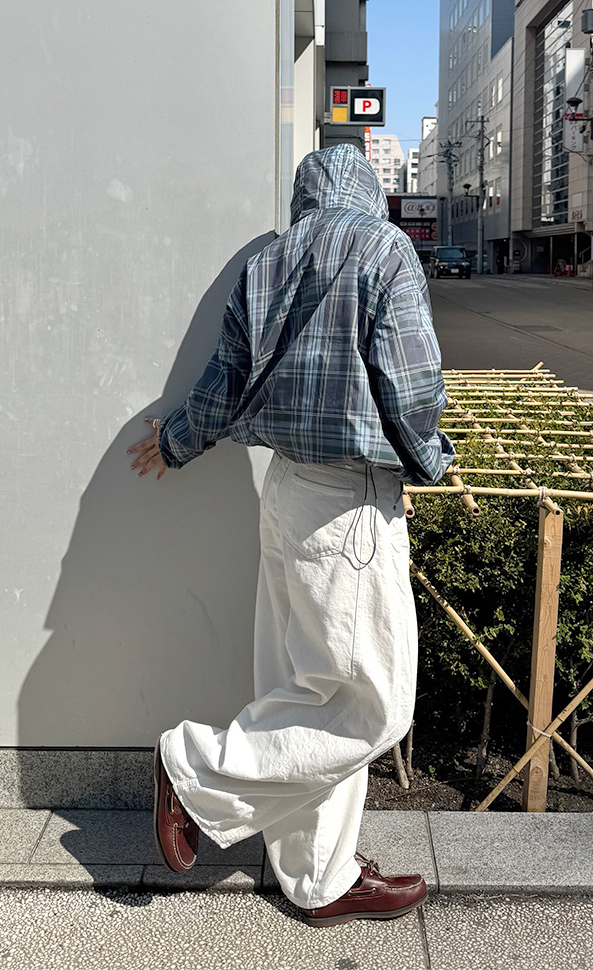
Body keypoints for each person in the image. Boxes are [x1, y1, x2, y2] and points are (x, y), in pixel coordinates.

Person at [128, 144, 454, 927]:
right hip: (347, 504)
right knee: (372, 705)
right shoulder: (384, 249)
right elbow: (412, 385)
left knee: (306, 689)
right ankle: (194, 770)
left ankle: (319, 877)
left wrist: (176, 440)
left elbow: (224, 381)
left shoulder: (268, 263)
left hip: (284, 491)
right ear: (369, 191)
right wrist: (431, 458)